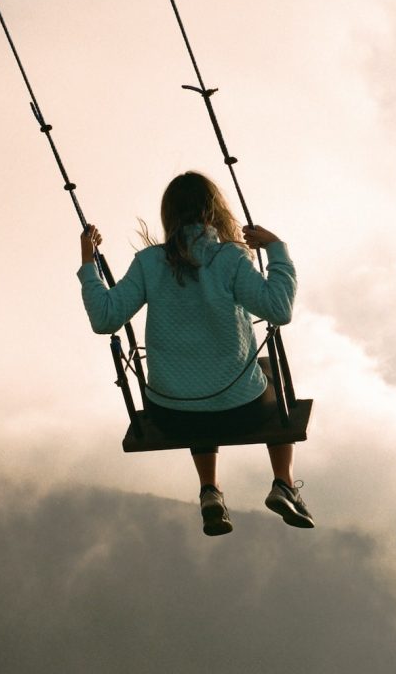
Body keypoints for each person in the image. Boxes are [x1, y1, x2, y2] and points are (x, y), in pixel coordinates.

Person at [77, 171, 313, 536]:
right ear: (214, 211)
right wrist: (276, 248)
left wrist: (89, 262)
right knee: (269, 374)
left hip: (173, 415)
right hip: (241, 413)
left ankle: (209, 491)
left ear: (168, 215)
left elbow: (105, 318)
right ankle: (283, 482)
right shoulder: (231, 259)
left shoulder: (149, 263)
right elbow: (278, 310)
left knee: (192, 386)